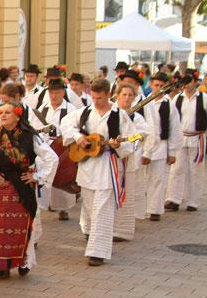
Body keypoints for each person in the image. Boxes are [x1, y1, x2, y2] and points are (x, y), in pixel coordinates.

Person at [0, 103, 57, 279]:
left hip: (20, 188)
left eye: (7, 112)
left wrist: (37, 177)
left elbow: (51, 158)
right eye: (1, 112)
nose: (3, 115)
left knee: (21, 226)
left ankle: (24, 261)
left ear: (18, 116)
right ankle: (1, 265)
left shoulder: (30, 137)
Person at [60, 78, 136, 266]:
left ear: (109, 95)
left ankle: (97, 252)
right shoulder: (85, 112)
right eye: (93, 97)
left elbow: (133, 139)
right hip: (87, 168)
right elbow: (65, 124)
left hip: (108, 167)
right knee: (90, 207)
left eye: (100, 98)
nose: (96, 101)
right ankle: (94, 239)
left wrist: (120, 145)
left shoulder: (120, 115)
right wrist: (78, 137)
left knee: (103, 210)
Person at [113, 84, 153, 242]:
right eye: (124, 94)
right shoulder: (111, 112)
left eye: (130, 95)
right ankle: (109, 227)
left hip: (129, 159)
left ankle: (123, 231)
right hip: (111, 159)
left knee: (127, 194)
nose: (127, 98)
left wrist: (128, 140)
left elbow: (143, 133)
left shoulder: (137, 117)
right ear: (117, 96)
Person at [142, 72, 182, 221]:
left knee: (158, 178)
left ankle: (155, 210)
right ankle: (143, 207)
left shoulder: (169, 104)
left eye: (161, 86)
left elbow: (174, 128)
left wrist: (172, 151)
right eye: (156, 85)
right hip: (145, 144)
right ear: (151, 85)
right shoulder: (145, 102)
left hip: (161, 145)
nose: (158, 88)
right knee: (143, 178)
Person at [166, 71, 207, 212]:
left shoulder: (204, 98)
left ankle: (193, 201)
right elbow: (172, 118)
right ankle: (173, 199)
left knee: (195, 170)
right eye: (185, 82)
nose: (187, 85)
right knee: (177, 169)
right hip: (181, 137)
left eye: (190, 81)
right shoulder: (177, 98)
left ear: (195, 82)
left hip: (197, 137)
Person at [37, 78, 76, 220]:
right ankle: (47, 203)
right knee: (47, 174)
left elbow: (75, 128)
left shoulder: (71, 109)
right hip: (46, 146)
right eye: (51, 93)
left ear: (63, 92)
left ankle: (63, 209)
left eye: (57, 93)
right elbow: (36, 126)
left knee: (62, 175)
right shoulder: (43, 108)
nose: (53, 96)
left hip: (63, 146)